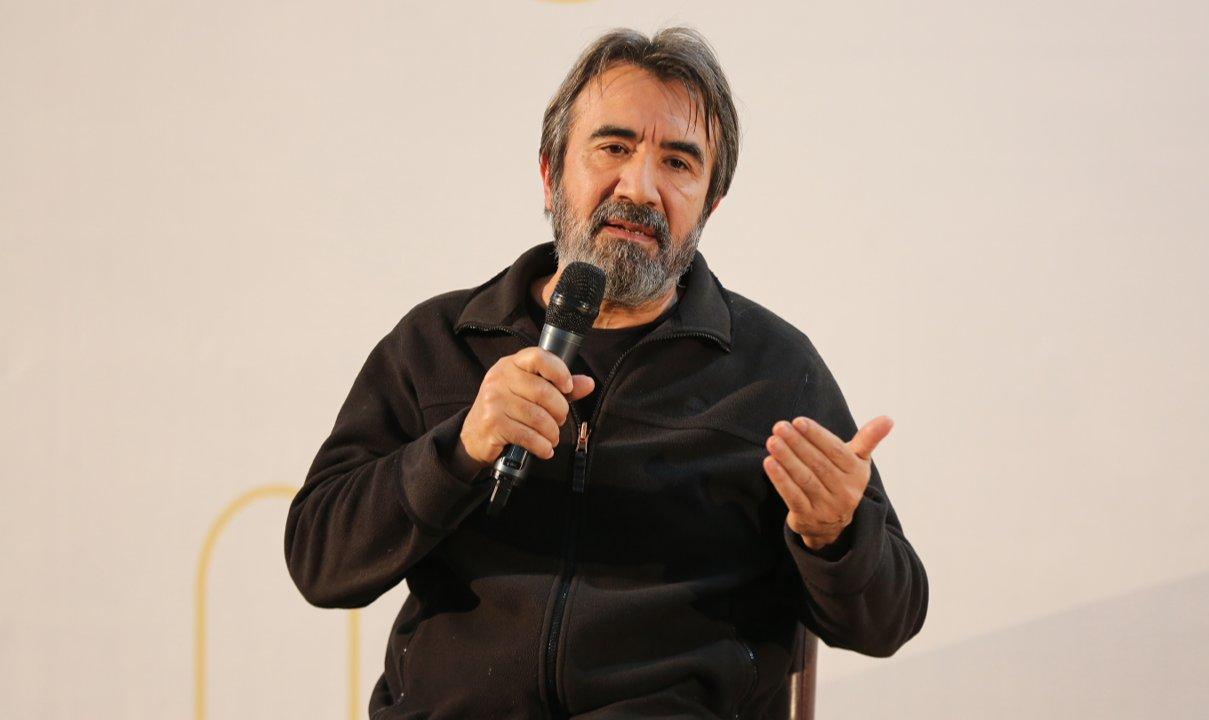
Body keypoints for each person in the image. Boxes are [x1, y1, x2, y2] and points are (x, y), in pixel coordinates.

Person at [285, 26, 928, 719]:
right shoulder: (440, 342)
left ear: (710, 204)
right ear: (550, 173)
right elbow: (321, 562)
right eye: (614, 148)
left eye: (678, 162)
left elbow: (888, 620)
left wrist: (837, 536)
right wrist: (459, 450)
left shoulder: (772, 372)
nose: (641, 188)